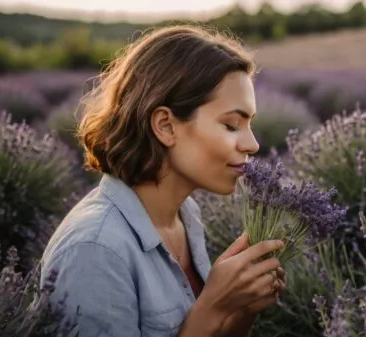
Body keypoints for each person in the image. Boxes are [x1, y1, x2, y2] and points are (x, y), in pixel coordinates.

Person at [38, 24, 286, 337]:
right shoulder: (96, 251)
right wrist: (213, 306)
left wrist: (241, 309)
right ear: (166, 126)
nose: (252, 144)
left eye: (249, 124)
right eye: (232, 125)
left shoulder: (185, 215)